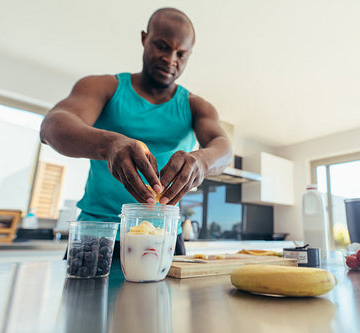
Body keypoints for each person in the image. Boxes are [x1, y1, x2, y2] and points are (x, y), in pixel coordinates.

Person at [40, 7, 233, 257]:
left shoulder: (196, 106)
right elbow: (51, 126)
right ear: (145, 38)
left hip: (163, 237)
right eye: (162, 46)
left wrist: (201, 161)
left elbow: (224, 148)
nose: (170, 59)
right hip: (99, 234)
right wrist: (109, 144)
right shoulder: (104, 87)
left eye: (181, 54)